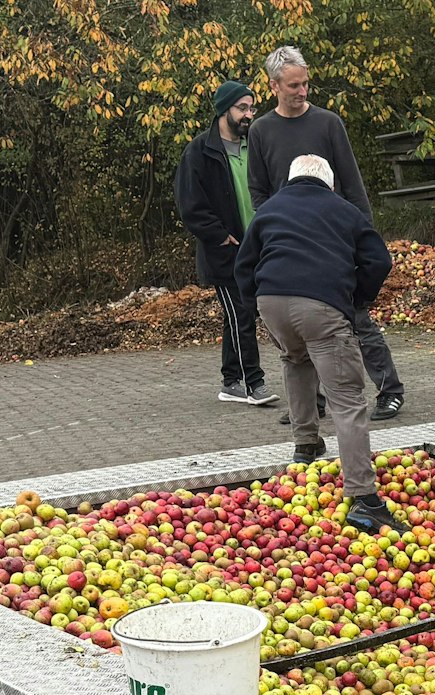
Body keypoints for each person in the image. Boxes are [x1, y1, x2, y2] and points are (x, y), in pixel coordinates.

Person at [234, 155, 406, 534]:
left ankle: (306, 445)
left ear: (291, 179)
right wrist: (356, 298)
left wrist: (258, 305)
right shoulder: (342, 209)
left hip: (272, 302)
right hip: (321, 306)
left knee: (295, 359)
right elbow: (378, 260)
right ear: (328, 183)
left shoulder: (270, 209)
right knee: (347, 399)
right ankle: (364, 499)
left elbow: (243, 265)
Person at [246, 45, 404, 422]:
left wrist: (363, 234)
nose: (302, 92)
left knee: (356, 317)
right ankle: (311, 403)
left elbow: (351, 182)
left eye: (305, 84)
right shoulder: (261, 131)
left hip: (335, 237)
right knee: (302, 331)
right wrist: (270, 233)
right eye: (293, 86)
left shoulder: (328, 123)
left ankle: (390, 390)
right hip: (288, 242)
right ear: (274, 86)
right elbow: (258, 192)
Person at [172, 79, 276, 407]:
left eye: (252, 108)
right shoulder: (199, 151)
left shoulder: (255, 145)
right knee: (241, 313)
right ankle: (253, 384)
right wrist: (219, 235)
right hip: (225, 251)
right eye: (242, 108)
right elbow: (189, 204)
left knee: (241, 314)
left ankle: (230, 380)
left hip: (258, 246)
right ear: (223, 110)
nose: (249, 115)